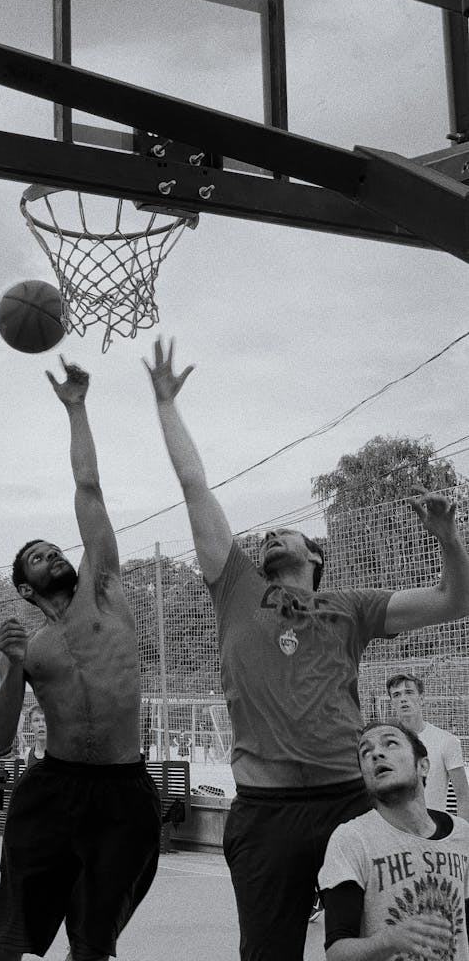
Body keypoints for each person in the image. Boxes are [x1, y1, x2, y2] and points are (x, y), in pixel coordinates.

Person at [144, 336, 469, 961]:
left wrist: (449, 537)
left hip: (350, 798)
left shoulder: (350, 607)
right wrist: (165, 402)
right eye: (266, 532)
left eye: (285, 532)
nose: (269, 534)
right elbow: (193, 485)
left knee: (384, 945)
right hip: (266, 812)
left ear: (314, 557)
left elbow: (454, 601)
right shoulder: (236, 586)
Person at [0, 357, 161, 961]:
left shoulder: (104, 588)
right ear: (25, 589)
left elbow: (89, 487)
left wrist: (76, 406)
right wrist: (9, 670)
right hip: (53, 788)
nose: (52, 553)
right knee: (8, 938)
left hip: (123, 789)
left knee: (93, 947)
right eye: (37, 556)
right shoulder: (30, 647)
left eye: (53, 547)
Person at [319, 720, 469, 960]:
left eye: (391, 743)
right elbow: (336, 953)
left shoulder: (461, 835)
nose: (376, 753)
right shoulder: (351, 839)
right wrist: (388, 940)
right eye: (365, 752)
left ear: (423, 765)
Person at [387, 671, 469, 821]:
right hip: (394, 832)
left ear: (422, 698)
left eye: (409, 692)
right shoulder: (384, 744)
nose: (403, 699)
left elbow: (463, 796)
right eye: (397, 695)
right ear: (392, 702)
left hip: (433, 833)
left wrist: (461, 837)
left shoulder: (446, 741)